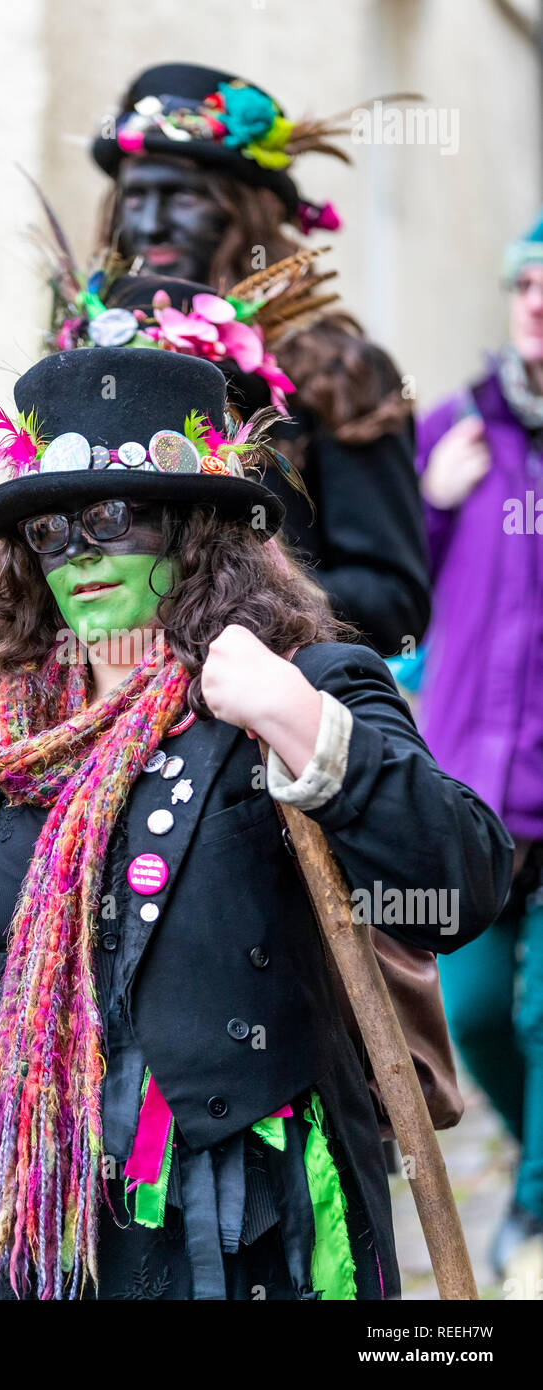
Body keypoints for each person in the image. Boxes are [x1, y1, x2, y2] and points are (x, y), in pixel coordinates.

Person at [0, 347, 511, 1299]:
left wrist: (300, 724)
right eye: (49, 530)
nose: (76, 553)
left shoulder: (302, 680)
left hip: (222, 1237)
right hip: (10, 1220)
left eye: (110, 518)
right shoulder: (2, 726)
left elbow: (459, 885)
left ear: (197, 530)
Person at [0, 64, 430, 796]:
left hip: (238, 751)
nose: (149, 223)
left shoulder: (335, 373)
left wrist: (215, 592)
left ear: (247, 209)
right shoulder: (81, 363)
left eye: (181, 195)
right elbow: (38, 583)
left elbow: (395, 602)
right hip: (65, 740)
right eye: (134, 196)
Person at [414, 211, 543, 1285]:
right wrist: (430, 506)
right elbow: (387, 598)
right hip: (470, 799)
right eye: (527, 282)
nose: (538, 301)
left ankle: (534, 1218)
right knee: (470, 1009)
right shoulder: (452, 432)